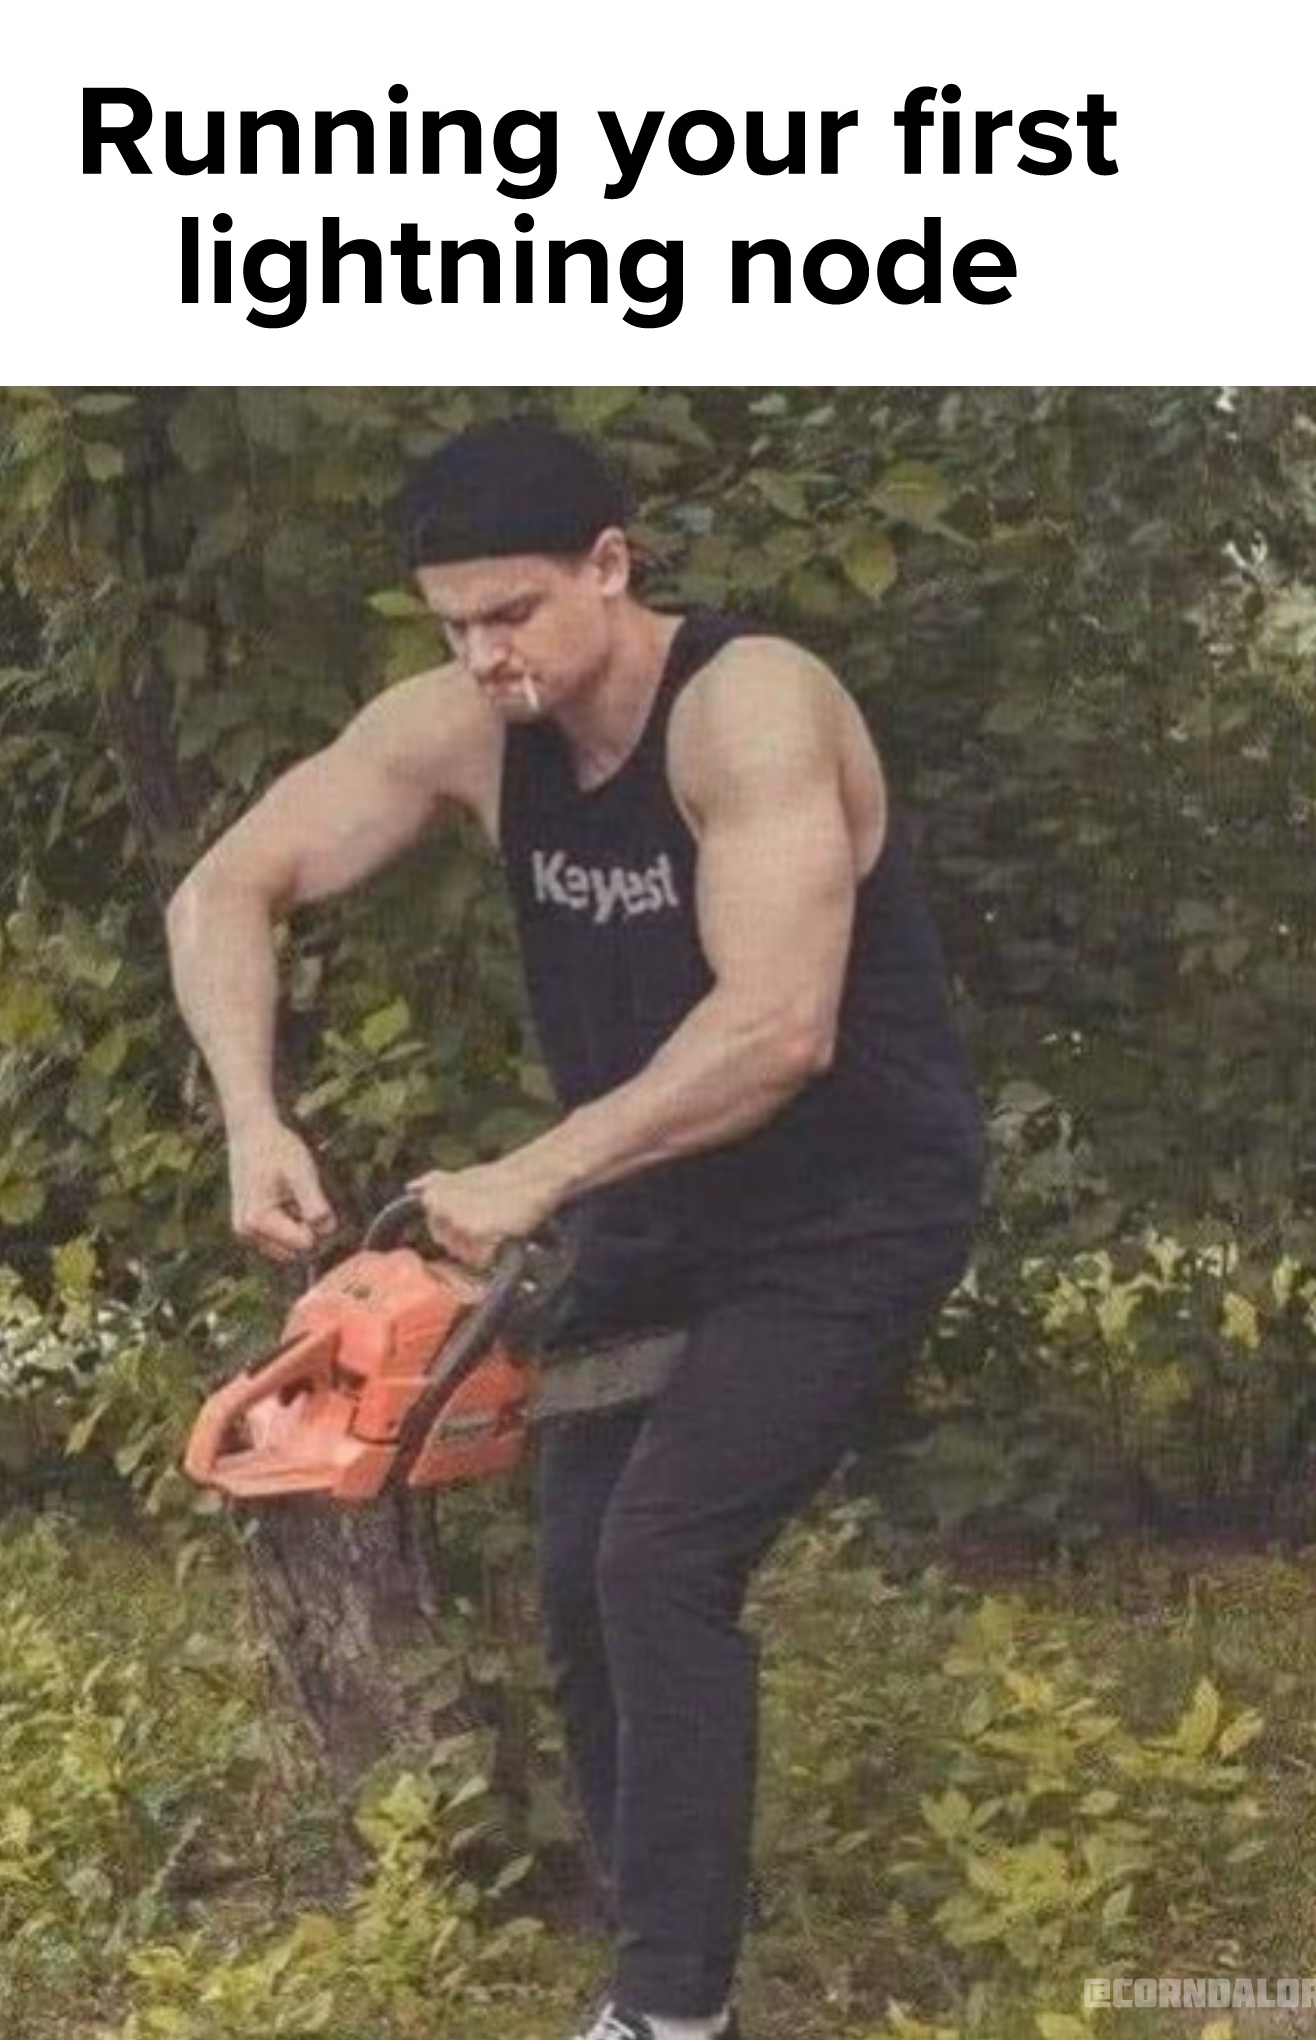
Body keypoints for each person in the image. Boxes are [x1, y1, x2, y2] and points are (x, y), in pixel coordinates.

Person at [164, 418, 985, 2040]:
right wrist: (254, 1118)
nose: (487, 658)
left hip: (851, 1210)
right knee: (579, 1586)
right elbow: (221, 890)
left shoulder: (751, 710)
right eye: (453, 627)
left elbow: (778, 1027)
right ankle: (656, 1965)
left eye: (514, 613)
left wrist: (533, 1175)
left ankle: (668, 2015)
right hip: (656, 1204)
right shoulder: (470, 728)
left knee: (658, 1559)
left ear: (611, 565)